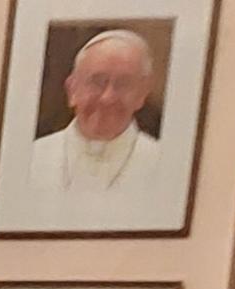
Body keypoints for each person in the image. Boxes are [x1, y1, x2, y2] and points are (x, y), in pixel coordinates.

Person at [27, 28, 162, 203]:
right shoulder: (32, 158)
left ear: (142, 95)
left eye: (123, 84)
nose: (108, 98)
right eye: (97, 82)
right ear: (72, 90)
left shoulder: (163, 164)